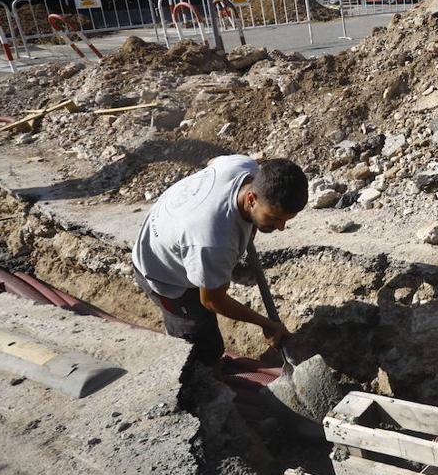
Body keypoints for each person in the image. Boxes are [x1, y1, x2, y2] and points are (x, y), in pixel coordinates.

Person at [132, 155, 308, 367]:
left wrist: (253, 224)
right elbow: (212, 301)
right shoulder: (214, 241)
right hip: (162, 271)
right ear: (251, 199)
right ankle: (200, 384)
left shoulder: (243, 166)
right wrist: (266, 324)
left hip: (180, 237)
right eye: (273, 218)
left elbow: (212, 163)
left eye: (286, 220)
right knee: (202, 350)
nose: (281, 227)